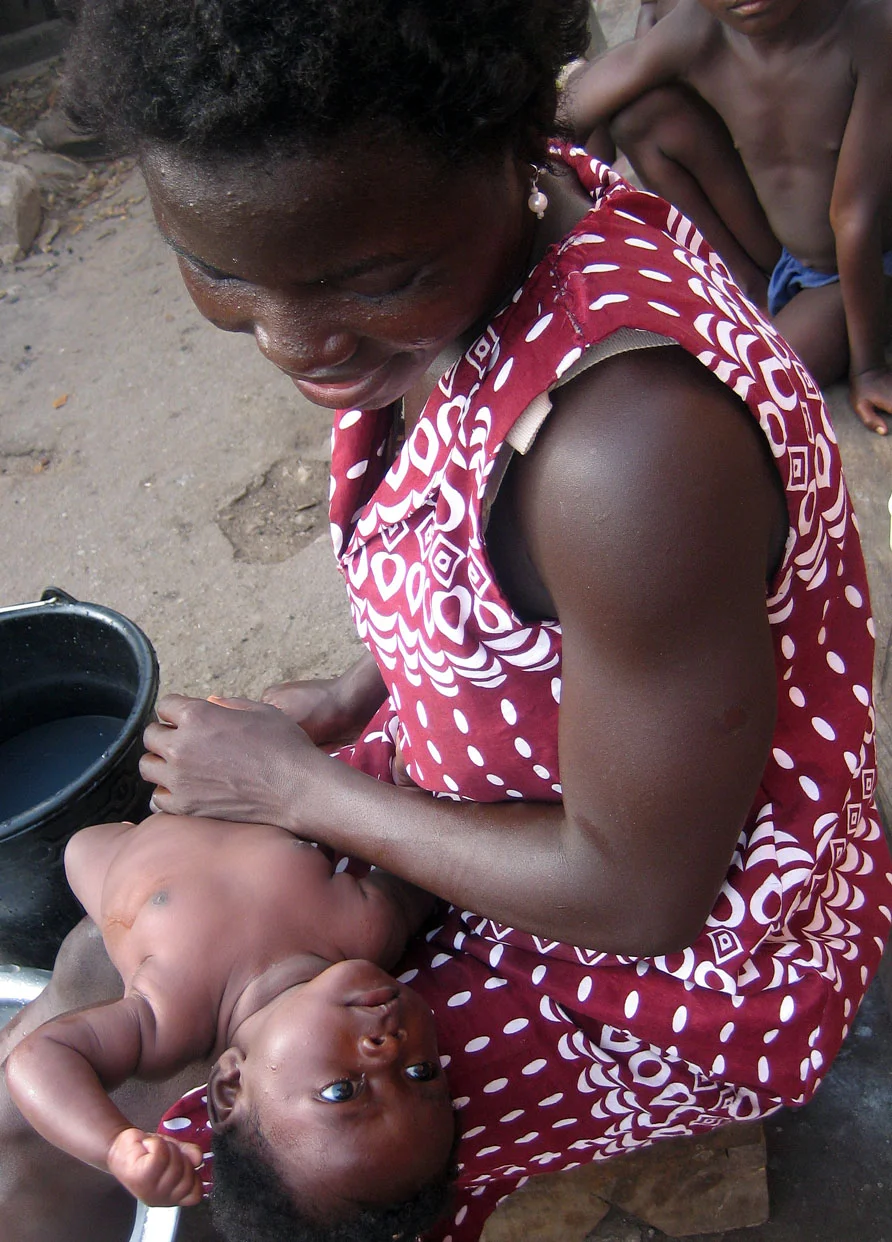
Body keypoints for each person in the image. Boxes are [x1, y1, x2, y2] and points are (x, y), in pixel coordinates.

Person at [4, 2, 891, 1240]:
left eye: (374, 281)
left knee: (251, 1159)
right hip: (524, 801)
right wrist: (365, 689)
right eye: (222, 271)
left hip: (668, 964)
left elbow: (641, 899)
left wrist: (297, 789)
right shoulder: (475, 245)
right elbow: (504, 584)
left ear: (504, 144)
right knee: (103, 972)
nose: (294, 344)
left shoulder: (625, 453)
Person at [4, 814, 455, 1240]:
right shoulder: (372, 926)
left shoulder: (168, 1020)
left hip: (121, 839)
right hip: (228, 783)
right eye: (421, 1072)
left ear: (230, 1086)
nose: (389, 1048)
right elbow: (430, 848)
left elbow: (40, 1057)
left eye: (342, 1091)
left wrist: (113, 1145)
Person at [561, 0, 892, 434]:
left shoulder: (871, 28)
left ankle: (790, 325)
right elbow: (583, 101)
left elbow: (854, 220)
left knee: (747, 390)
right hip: (784, 243)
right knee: (641, 115)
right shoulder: (701, 27)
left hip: (861, 271)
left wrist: (868, 368)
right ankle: (750, 291)